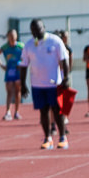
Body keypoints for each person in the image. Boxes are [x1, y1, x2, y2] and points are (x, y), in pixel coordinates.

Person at [19, 19, 70, 149]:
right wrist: (23, 84)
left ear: (44, 27)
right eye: (33, 30)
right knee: (43, 112)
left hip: (54, 83)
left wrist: (66, 78)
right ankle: (47, 138)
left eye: (38, 28)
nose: (36, 31)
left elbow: (64, 59)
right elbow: (24, 65)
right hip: (38, 85)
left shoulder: (55, 41)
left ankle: (63, 137)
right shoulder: (29, 45)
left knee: (58, 111)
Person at [0, 29, 23, 120]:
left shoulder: (21, 46)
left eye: (13, 35)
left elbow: (27, 56)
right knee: (9, 91)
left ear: (16, 36)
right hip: (9, 71)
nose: (12, 37)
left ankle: (17, 112)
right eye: (10, 36)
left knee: (18, 91)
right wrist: (2, 65)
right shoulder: (5, 47)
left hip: (18, 71)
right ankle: (8, 112)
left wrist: (22, 64)